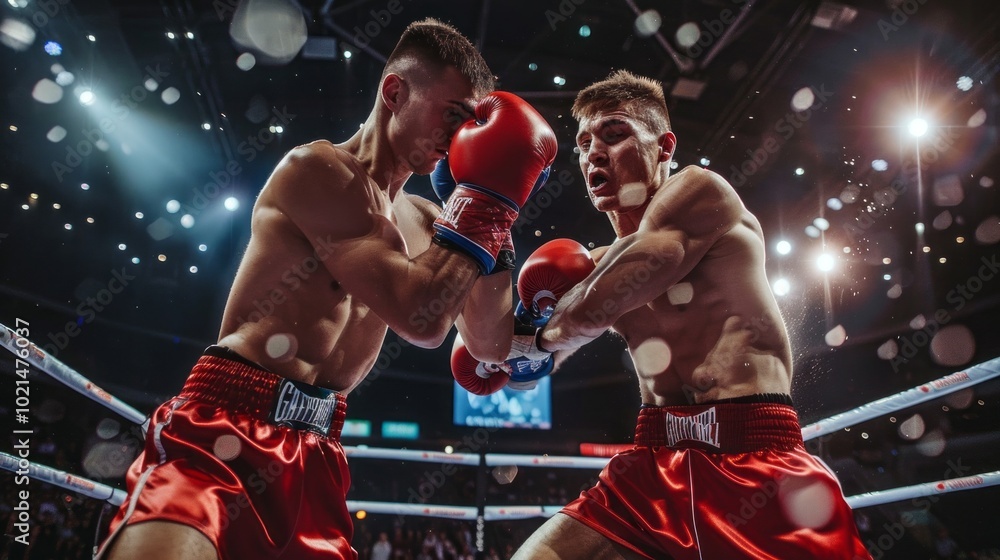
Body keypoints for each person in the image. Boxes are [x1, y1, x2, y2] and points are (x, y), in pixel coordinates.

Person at [96, 18, 556, 560]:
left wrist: (497, 215)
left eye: (472, 125)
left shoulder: (433, 222)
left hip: (318, 447)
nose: (459, 138)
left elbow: (488, 343)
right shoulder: (319, 171)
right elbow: (422, 318)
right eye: (452, 115)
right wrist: (487, 204)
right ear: (395, 91)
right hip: (226, 425)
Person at [508, 70, 871, 559]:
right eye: (584, 142)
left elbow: (594, 309)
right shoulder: (590, 267)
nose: (595, 151)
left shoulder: (703, 194)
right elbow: (513, 362)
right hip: (652, 460)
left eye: (615, 134)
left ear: (663, 146)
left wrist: (537, 341)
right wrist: (485, 224)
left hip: (752, 456)